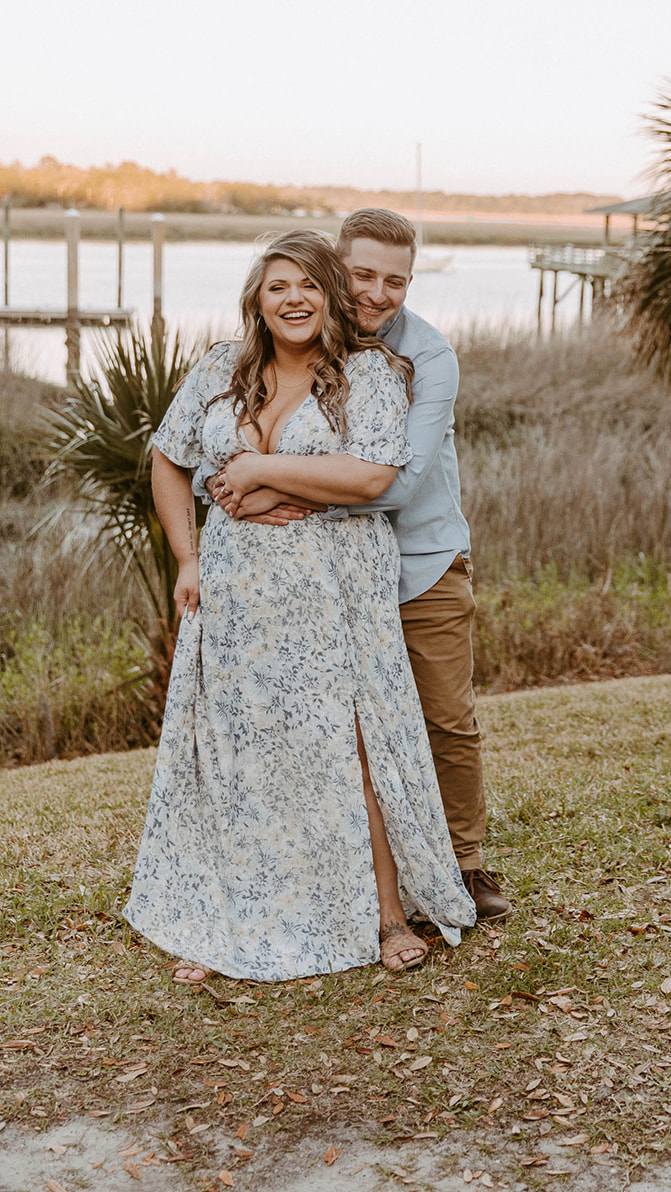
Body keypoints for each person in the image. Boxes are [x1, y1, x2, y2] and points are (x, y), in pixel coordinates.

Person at [123, 231, 477, 984]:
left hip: (331, 585)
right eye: (279, 285)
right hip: (237, 589)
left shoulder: (370, 373)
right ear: (258, 296)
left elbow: (373, 476)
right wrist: (189, 556)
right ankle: (235, 919)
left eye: (309, 287)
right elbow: (168, 454)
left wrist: (258, 471)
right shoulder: (221, 367)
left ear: (330, 298)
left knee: (351, 741)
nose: (294, 300)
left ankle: (385, 917)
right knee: (241, 752)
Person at [207, 210, 510, 921]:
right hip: (324, 575)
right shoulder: (295, 342)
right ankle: (349, 875)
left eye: (395, 281)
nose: (377, 293)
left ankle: (463, 864)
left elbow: (394, 482)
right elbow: (221, 444)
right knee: (332, 727)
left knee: (442, 718)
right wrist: (227, 484)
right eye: (363, 274)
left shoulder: (428, 357)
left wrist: (271, 488)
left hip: (420, 564)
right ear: (333, 268)